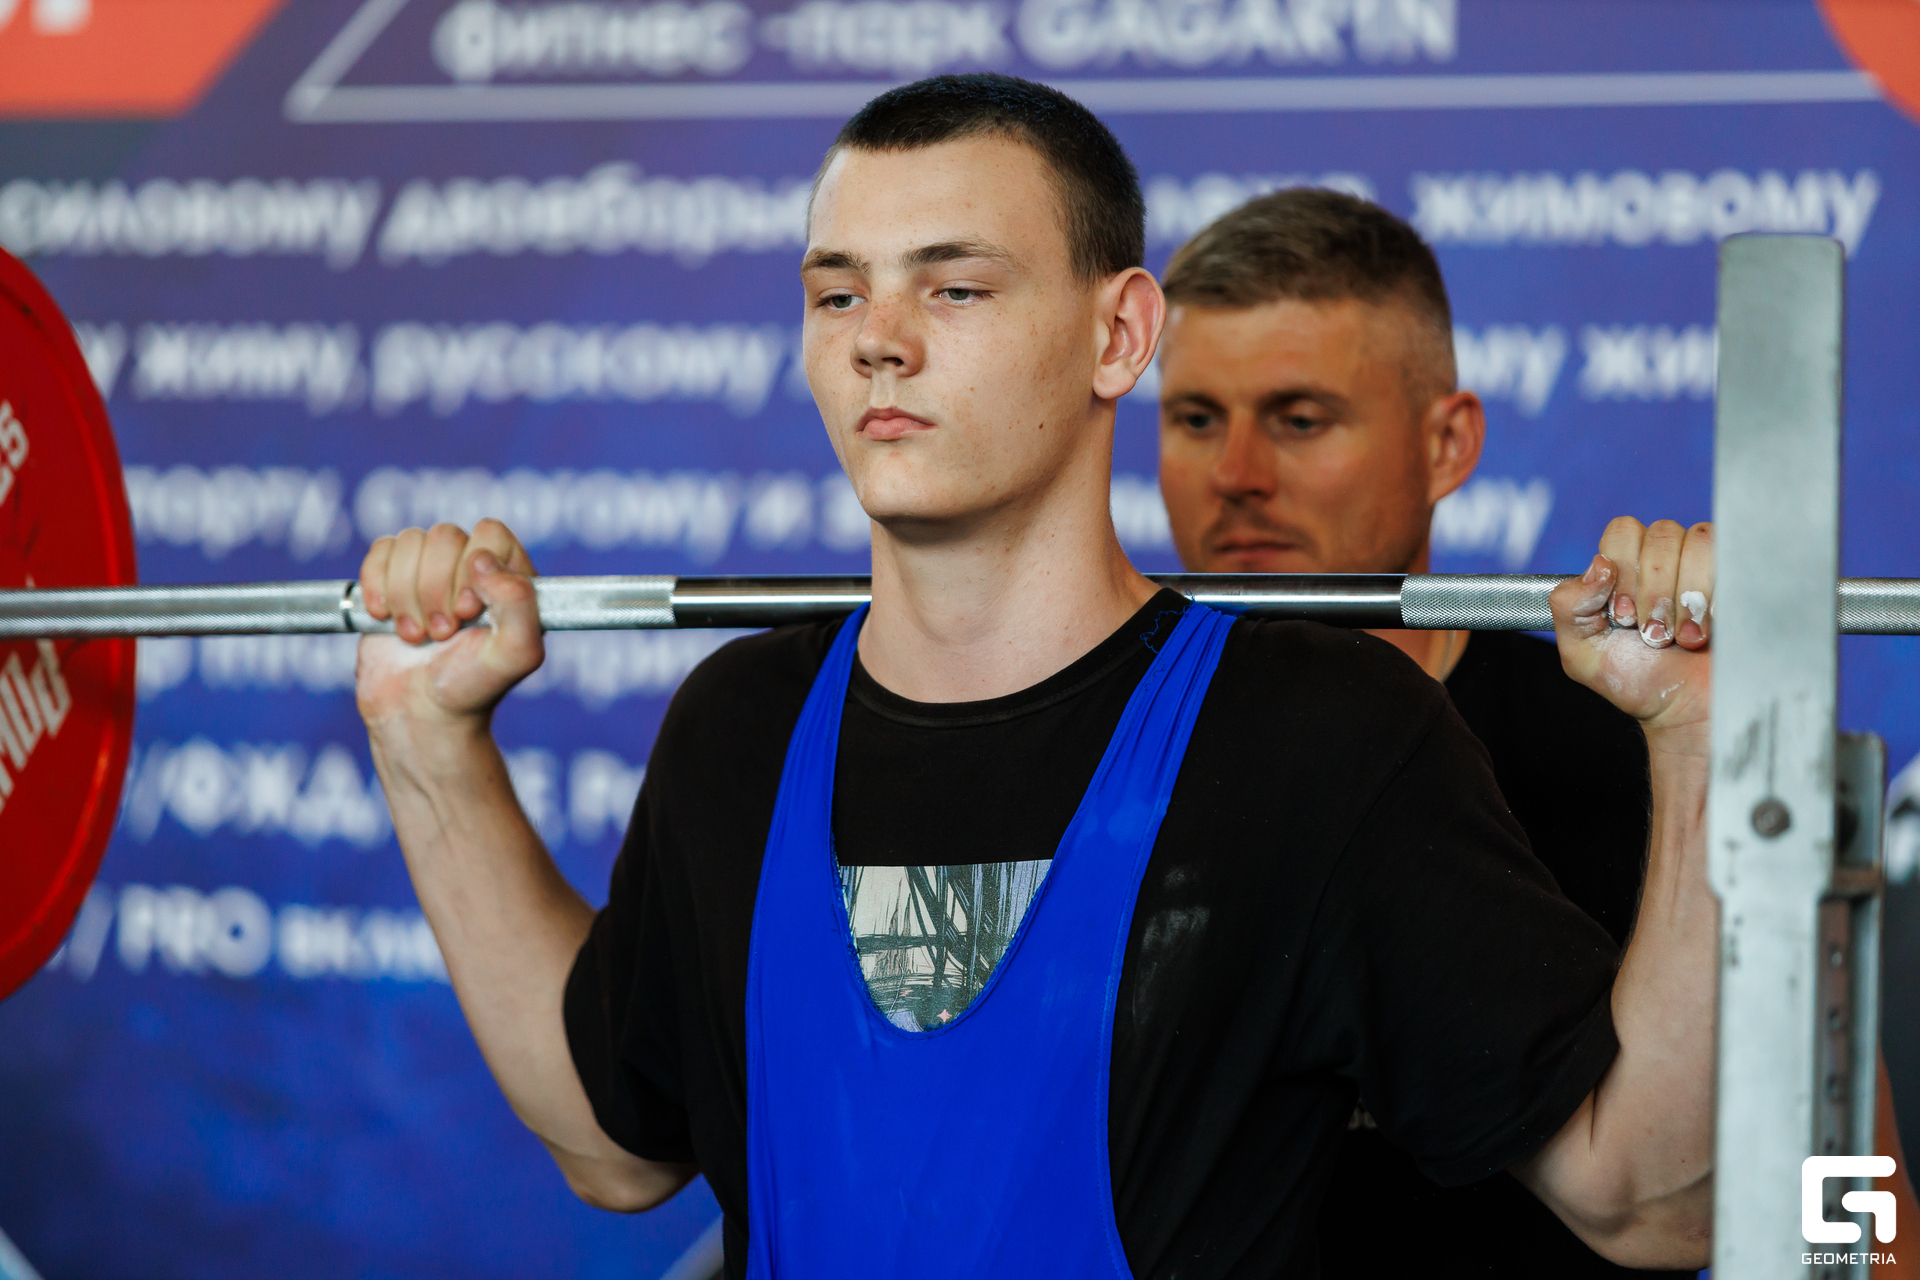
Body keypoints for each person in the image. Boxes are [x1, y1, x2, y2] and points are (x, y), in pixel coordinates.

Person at [353, 75, 1719, 1277]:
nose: (879, 338)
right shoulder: (739, 724)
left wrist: (1702, 735)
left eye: (954, 287)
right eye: (838, 293)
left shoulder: (1324, 734)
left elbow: (1652, 1204)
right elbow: (615, 1146)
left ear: (1118, 336)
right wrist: (425, 743)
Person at [1154, 186, 1916, 1278]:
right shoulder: (1112, 746)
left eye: (1299, 418)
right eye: (1195, 419)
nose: (1236, 475)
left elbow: (1850, 1180)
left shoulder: (1641, 743)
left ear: (1448, 442)